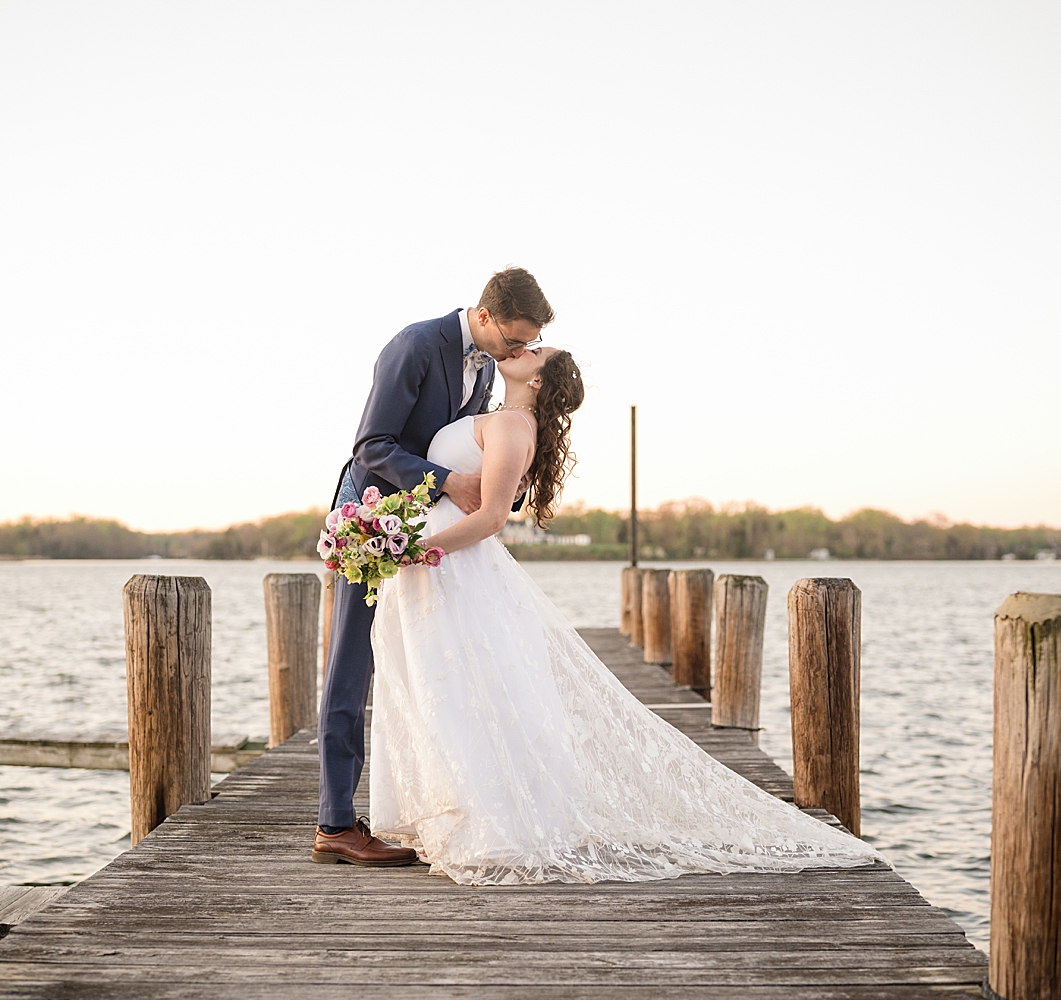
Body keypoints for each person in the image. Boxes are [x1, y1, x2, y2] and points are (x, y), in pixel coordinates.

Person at [364, 346, 885, 884]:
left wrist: (418, 551)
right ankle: (455, 810)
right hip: (444, 568)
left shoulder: (512, 426)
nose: (527, 347)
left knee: (463, 692)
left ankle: (490, 823)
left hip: (453, 566)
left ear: (539, 381)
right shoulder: (499, 415)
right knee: (447, 691)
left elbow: (494, 517)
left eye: (537, 351)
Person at [312, 267, 554, 866]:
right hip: (373, 519)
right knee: (352, 663)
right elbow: (370, 443)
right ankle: (335, 823)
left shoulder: (486, 373)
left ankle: (437, 803)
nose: (520, 351)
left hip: (426, 531)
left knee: (430, 661)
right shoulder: (417, 345)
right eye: (515, 340)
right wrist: (448, 480)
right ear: (486, 315)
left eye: (529, 344)